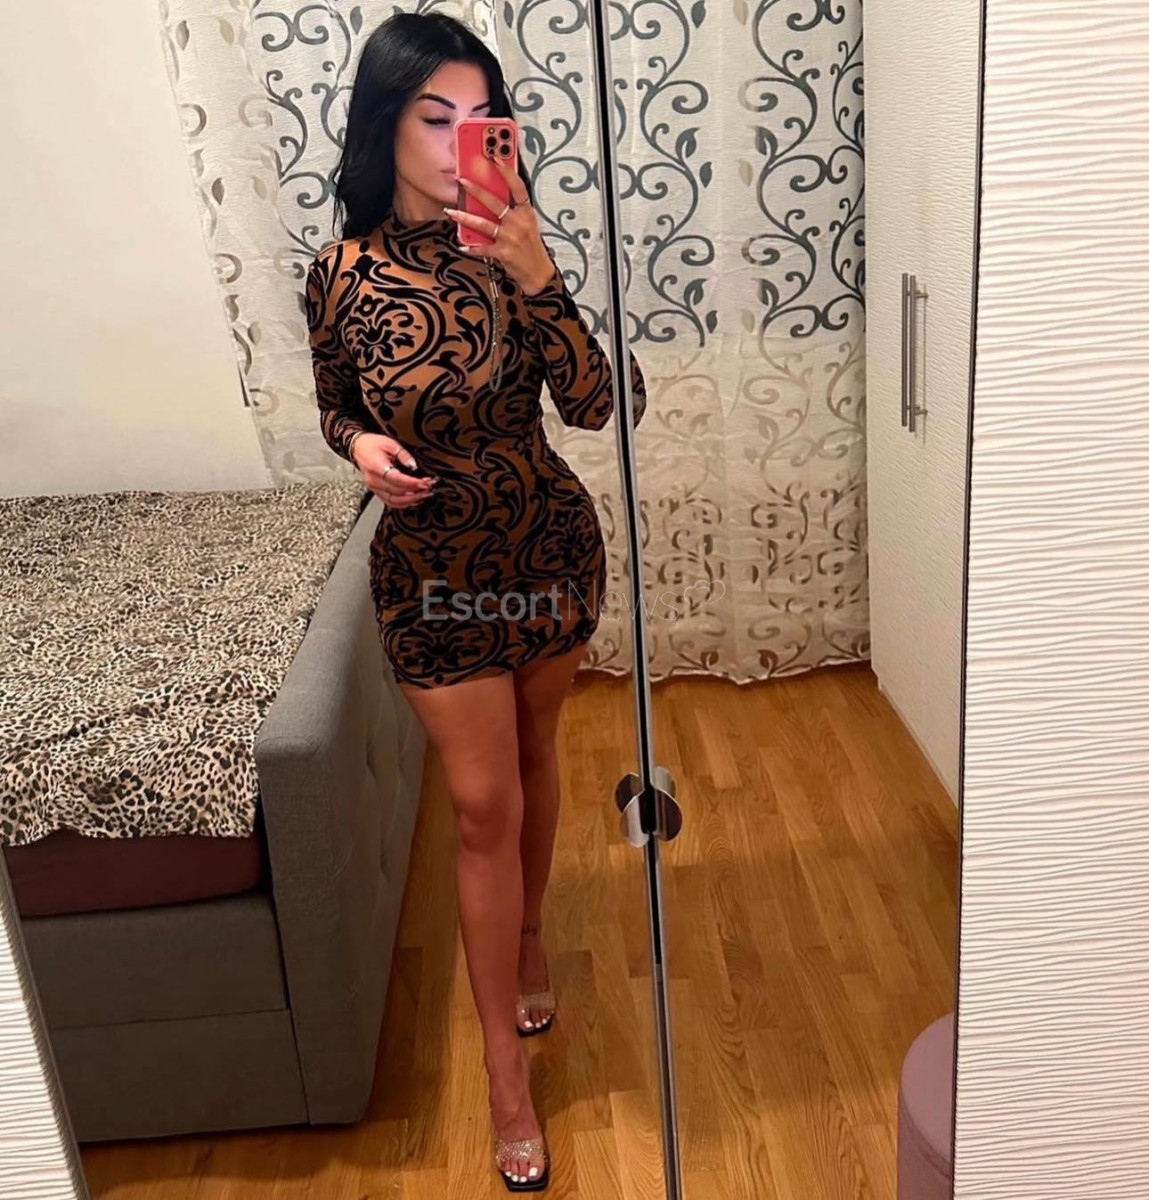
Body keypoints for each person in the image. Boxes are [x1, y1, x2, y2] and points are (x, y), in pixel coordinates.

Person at [304, 11, 647, 1193]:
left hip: (545, 550)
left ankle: (532, 935)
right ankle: (504, 1069)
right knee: (481, 803)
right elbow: (335, 403)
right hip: (431, 574)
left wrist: (542, 277)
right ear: (385, 127)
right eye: (434, 116)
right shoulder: (340, 274)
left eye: (482, 118)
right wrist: (358, 447)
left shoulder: (514, 249)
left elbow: (598, 406)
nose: (461, 141)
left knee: (538, 756)